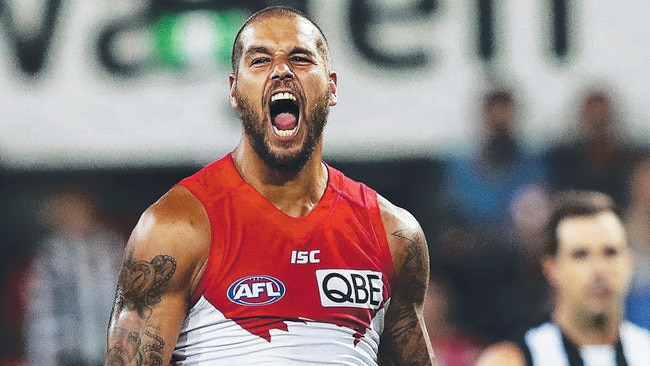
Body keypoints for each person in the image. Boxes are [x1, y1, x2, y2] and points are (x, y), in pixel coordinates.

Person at [104, 6, 436, 366]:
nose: (281, 70)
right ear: (234, 91)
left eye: (300, 58)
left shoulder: (393, 233)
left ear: (332, 87)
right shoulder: (176, 226)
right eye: (260, 60)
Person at [475, 190, 650, 366]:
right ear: (552, 268)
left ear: (628, 262)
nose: (599, 269)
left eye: (610, 252)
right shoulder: (512, 361)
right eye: (580, 255)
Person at [24, 184, 123, 366]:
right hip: (65, 354)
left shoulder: (112, 248)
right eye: (65, 210)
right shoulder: (49, 255)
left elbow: (126, 303)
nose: (72, 216)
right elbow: (41, 316)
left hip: (110, 349)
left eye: (75, 208)